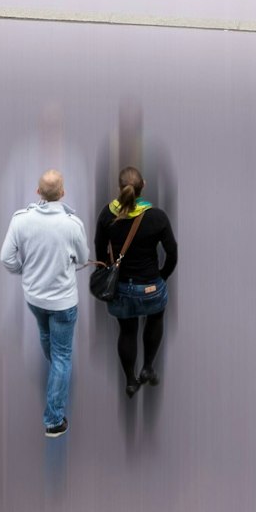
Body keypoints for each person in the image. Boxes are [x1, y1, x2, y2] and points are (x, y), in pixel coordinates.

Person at [0, 169, 91, 437]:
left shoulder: (21, 221)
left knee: (45, 336)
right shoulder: (73, 225)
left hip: (35, 298)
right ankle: (54, 419)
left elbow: (7, 258)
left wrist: (24, 271)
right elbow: (84, 259)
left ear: (38, 192)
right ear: (62, 194)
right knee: (63, 355)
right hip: (63, 301)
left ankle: (55, 378)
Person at [95, 167, 177, 397]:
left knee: (127, 331)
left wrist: (107, 270)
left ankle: (130, 380)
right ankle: (148, 367)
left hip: (121, 287)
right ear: (144, 186)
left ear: (120, 188)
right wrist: (163, 275)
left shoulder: (107, 215)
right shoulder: (157, 217)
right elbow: (172, 252)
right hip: (151, 284)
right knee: (155, 320)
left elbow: (100, 249)